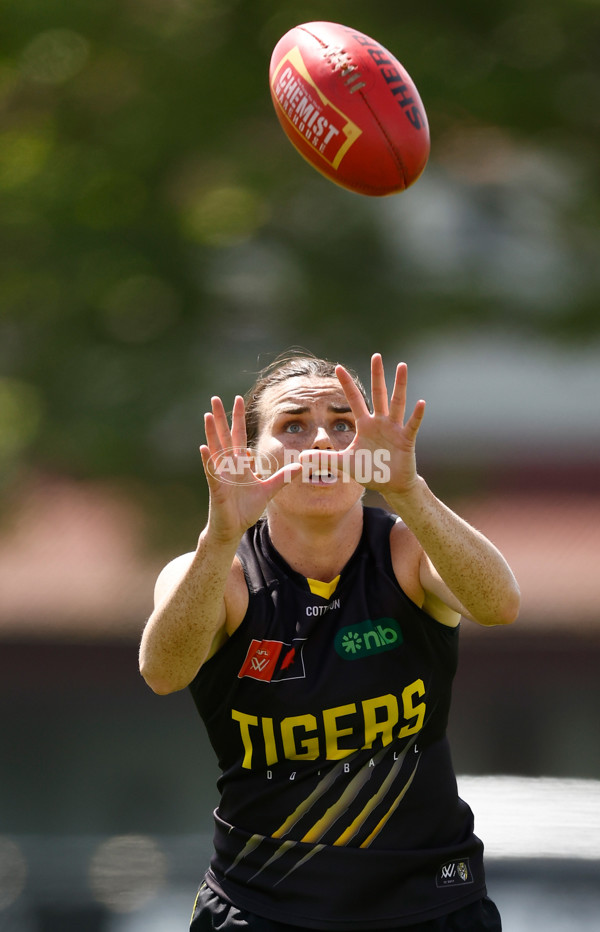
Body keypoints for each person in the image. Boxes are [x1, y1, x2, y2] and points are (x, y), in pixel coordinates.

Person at [139, 351, 520, 932]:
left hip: (431, 902)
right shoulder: (218, 571)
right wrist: (219, 539)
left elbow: (499, 605)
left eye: (343, 425)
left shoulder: (407, 551)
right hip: (262, 906)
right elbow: (163, 672)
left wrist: (409, 489)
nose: (321, 443)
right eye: (293, 426)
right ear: (249, 456)